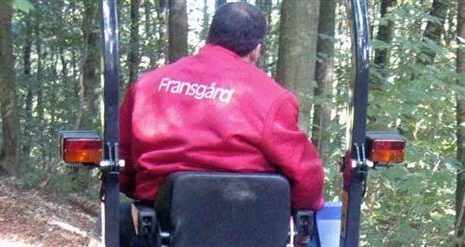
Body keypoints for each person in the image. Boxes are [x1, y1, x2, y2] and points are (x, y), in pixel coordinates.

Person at [118, 1, 325, 212]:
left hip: (158, 228)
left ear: (209, 38)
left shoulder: (147, 85)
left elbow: (121, 163)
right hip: (247, 230)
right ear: (256, 50)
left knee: (112, 221)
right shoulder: (273, 98)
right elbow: (306, 177)